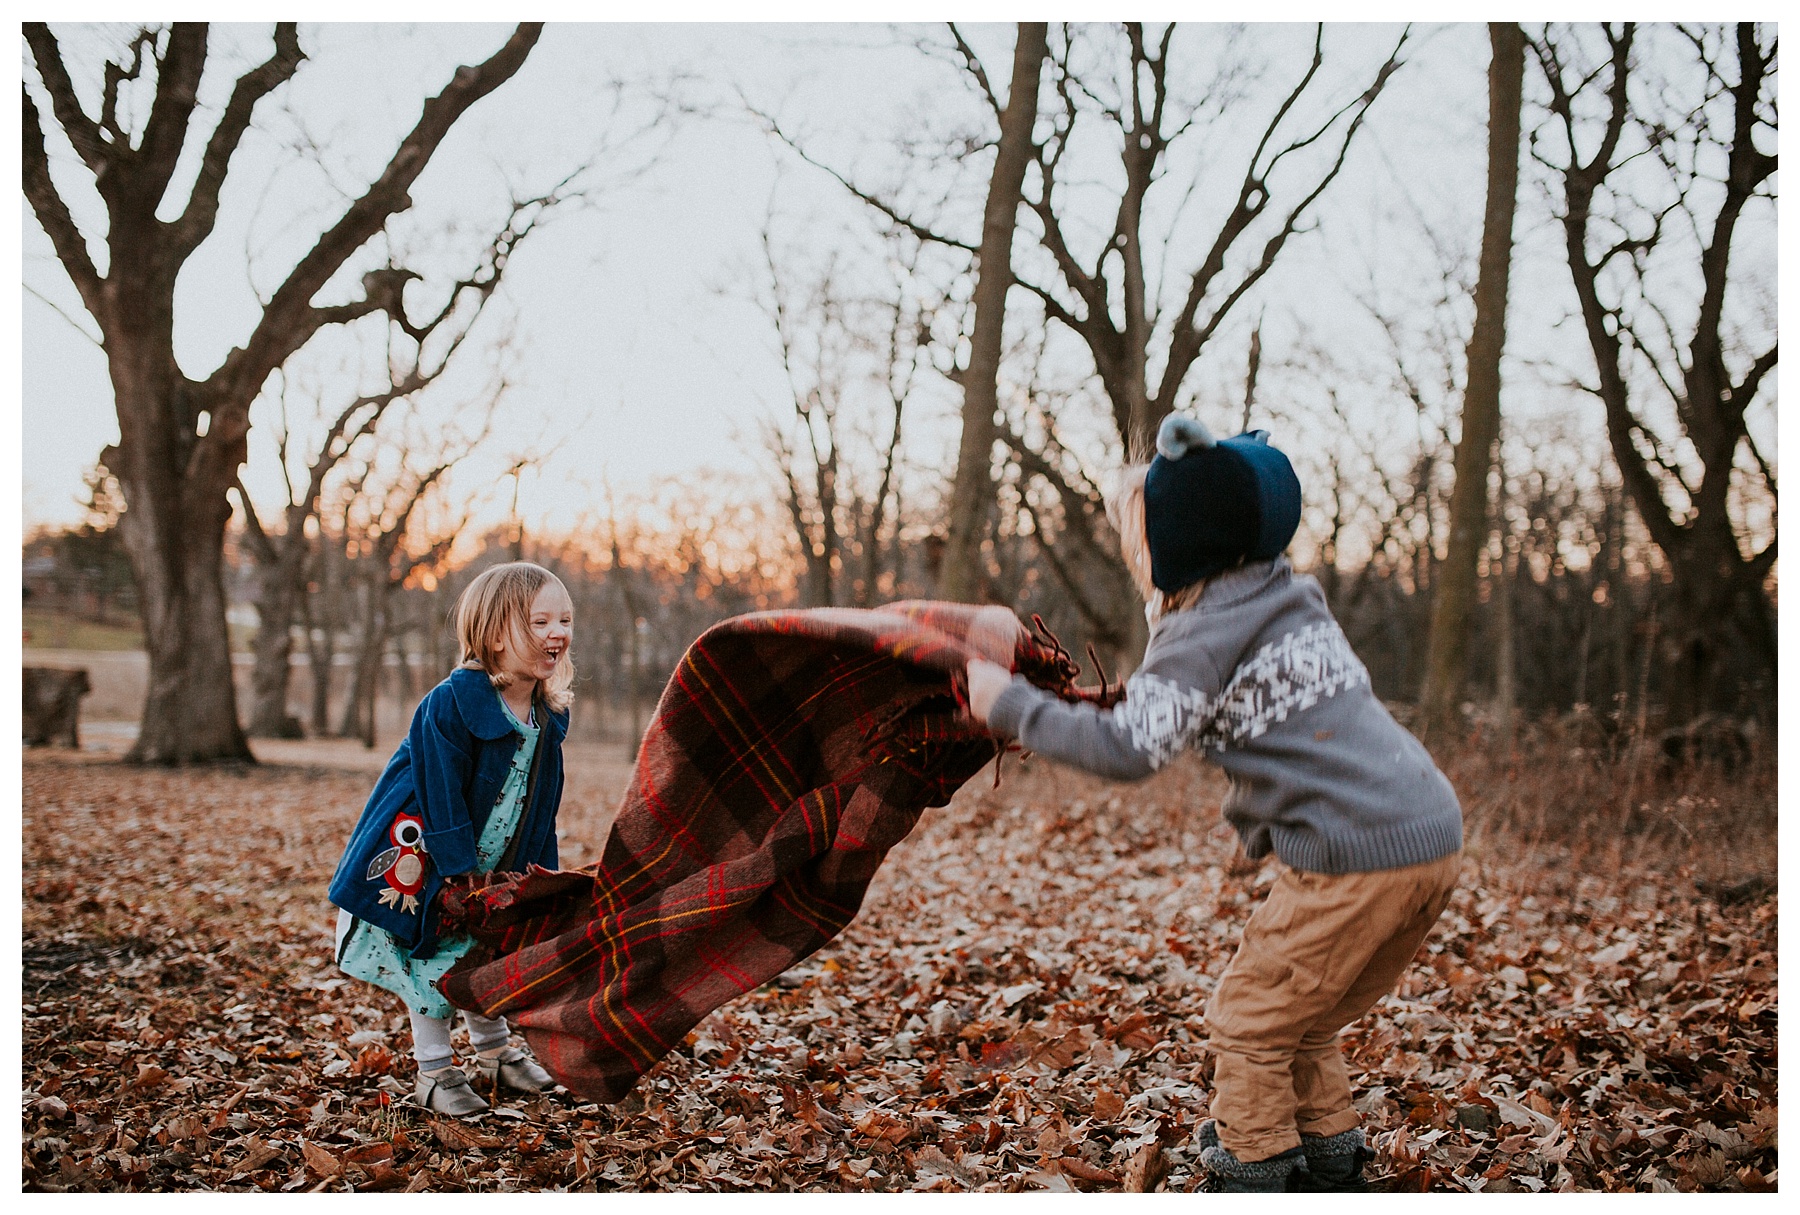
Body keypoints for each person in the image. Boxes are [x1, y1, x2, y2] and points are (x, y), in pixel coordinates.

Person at [965, 415, 1463, 1193]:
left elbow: (1134, 749)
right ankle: (1329, 1161)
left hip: (1356, 854)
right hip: (1430, 834)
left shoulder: (1199, 630)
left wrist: (1009, 706)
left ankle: (1257, 1171)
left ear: (1175, 542)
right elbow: (1300, 729)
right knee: (1308, 1018)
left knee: (1248, 1019)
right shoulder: (1292, 598)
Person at [328, 562, 575, 1117]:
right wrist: (457, 871)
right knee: (434, 954)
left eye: (564, 619)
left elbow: (543, 801)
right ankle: (434, 1071)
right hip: (427, 855)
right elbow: (437, 790)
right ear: (492, 633)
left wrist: (539, 877)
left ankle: (494, 1053)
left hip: (499, 856)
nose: (557, 632)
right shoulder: (453, 701)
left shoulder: (545, 712)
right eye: (539, 621)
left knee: (484, 950)